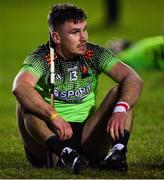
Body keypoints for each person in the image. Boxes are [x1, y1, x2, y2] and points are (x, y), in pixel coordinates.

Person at [12, 3, 143, 174]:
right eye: (75, 32)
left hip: (88, 136)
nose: (84, 38)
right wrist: (53, 116)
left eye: (84, 29)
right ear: (57, 37)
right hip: (51, 136)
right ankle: (64, 154)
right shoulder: (41, 58)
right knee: (25, 103)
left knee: (121, 93)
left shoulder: (94, 53)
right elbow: (20, 87)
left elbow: (133, 78)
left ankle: (117, 153)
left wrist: (120, 109)